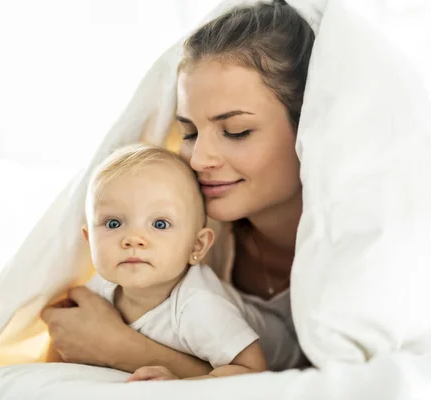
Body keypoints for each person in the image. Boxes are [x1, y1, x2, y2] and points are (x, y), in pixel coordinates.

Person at [40, 0, 314, 380]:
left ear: (310, 128)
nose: (199, 160)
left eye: (236, 131)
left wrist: (121, 348)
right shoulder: (176, 213)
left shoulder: (359, 243)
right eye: (188, 132)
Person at [46, 144, 269, 380]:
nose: (133, 239)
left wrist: (181, 385)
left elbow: (253, 372)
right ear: (89, 239)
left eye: (160, 224)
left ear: (197, 246)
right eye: (113, 223)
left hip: (285, 345)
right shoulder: (102, 287)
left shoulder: (199, 307)